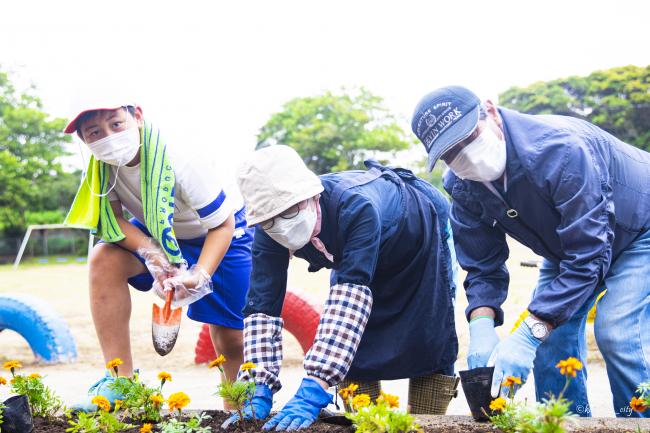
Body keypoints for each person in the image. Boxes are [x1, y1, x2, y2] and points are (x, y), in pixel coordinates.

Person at [411, 85, 650, 418]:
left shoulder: (560, 150)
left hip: (640, 227)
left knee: (617, 332)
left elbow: (589, 255)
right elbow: (482, 264)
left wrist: (527, 333)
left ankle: (639, 422)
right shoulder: (463, 186)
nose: (465, 155)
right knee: (550, 337)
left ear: (491, 112)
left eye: (469, 137)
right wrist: (483, 325)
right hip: (567, 247)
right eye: (452, 152)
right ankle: (564, 422)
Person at [224, 145, 459, 431]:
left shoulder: (356, 206)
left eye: (288, 212)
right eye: (271, 219)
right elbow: (262, 300)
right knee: (354, 352)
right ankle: (368, 425)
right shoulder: (268, 229)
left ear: (311, 196)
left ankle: (426, 425)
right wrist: (257, 380)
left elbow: (350, 298)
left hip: (417, 244)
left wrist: (314, 387)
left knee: (428, 337)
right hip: (354, 261)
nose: (281, 226)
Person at [63, 100, 253, 411]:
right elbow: (114, 219)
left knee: (231, 340)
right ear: (83, 140)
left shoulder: (182, 157)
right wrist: (153, 255)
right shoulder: (100, 166)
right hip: (159, 228)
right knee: (103, 259)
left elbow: (222, 224)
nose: (108, 136)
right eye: (94, 132)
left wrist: (200, 274)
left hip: (221, 231)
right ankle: (119, 381)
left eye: (115, 124)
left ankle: (239, 413)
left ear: (136, 116)